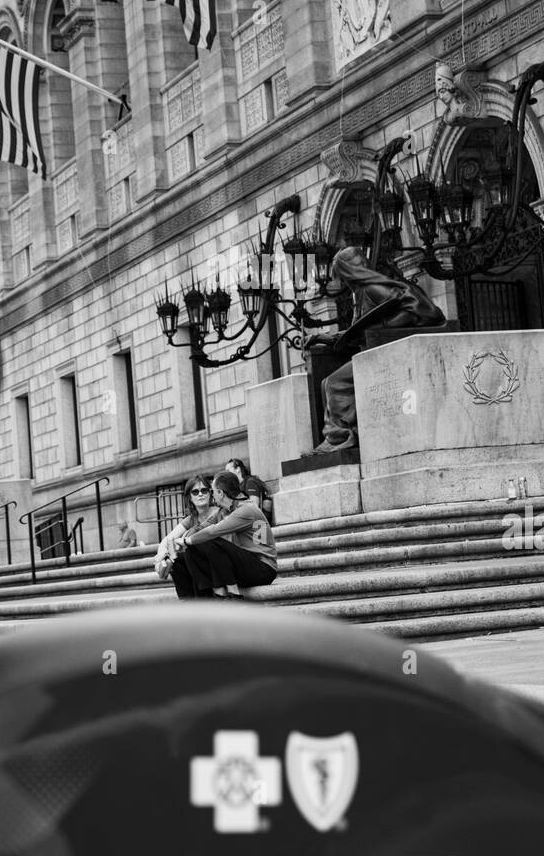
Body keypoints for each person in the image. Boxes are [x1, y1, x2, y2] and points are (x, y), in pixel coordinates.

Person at [306, 247, 446, 452]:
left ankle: (342, 437)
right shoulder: (360, 294)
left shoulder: (373, 288)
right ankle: (341, 434)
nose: (344, 282)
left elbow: (423, 311)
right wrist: (320, 337)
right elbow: (355, 333)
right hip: (373, 352)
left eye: (343, 276)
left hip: (389, 352)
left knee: (335, 382)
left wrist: (382, 329)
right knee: (326, 381)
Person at [172, 471, 277, 601]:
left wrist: (187, 540)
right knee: (182, 558)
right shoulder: (225, 510)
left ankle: (232, 595)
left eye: (212, 491)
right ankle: (201, 600)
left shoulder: (246, 509)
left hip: (263, 569)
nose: (212, 495)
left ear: (221, 493)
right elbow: (202, 527)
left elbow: (213, 531)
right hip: (244, 565)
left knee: (211, 541)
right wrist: (183, 542)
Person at [154, 475, 220, 596]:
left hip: (218, 562)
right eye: (195, 492)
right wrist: (160, 558)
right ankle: (187, 602)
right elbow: (169, 538)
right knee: (177, 560)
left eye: (204, 490)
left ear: (210, 494)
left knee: (190, 554)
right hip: (200, 563)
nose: (200, 494)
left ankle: (203, 600)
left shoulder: (218, 513)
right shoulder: (191, 519)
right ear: (190, 498)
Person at [224, 458, 274, 525]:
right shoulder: (239, 486)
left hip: (259, 525)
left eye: (228, 471)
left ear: (238, 469)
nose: (226, 474)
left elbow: (254, 506)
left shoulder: (250, 482)